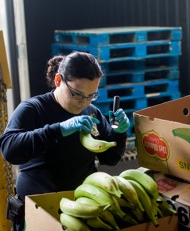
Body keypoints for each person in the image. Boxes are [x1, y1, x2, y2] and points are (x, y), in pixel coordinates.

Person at [0, 51, 130, 230]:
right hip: (39, 211)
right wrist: (59, 129)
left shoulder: (92, 112)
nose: (84, 102)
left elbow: (110, 158)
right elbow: (9, 150)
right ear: (59, 81)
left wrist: (119, 134)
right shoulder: (33, 109)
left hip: (80, 208)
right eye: (77, 94)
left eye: (91, 95)